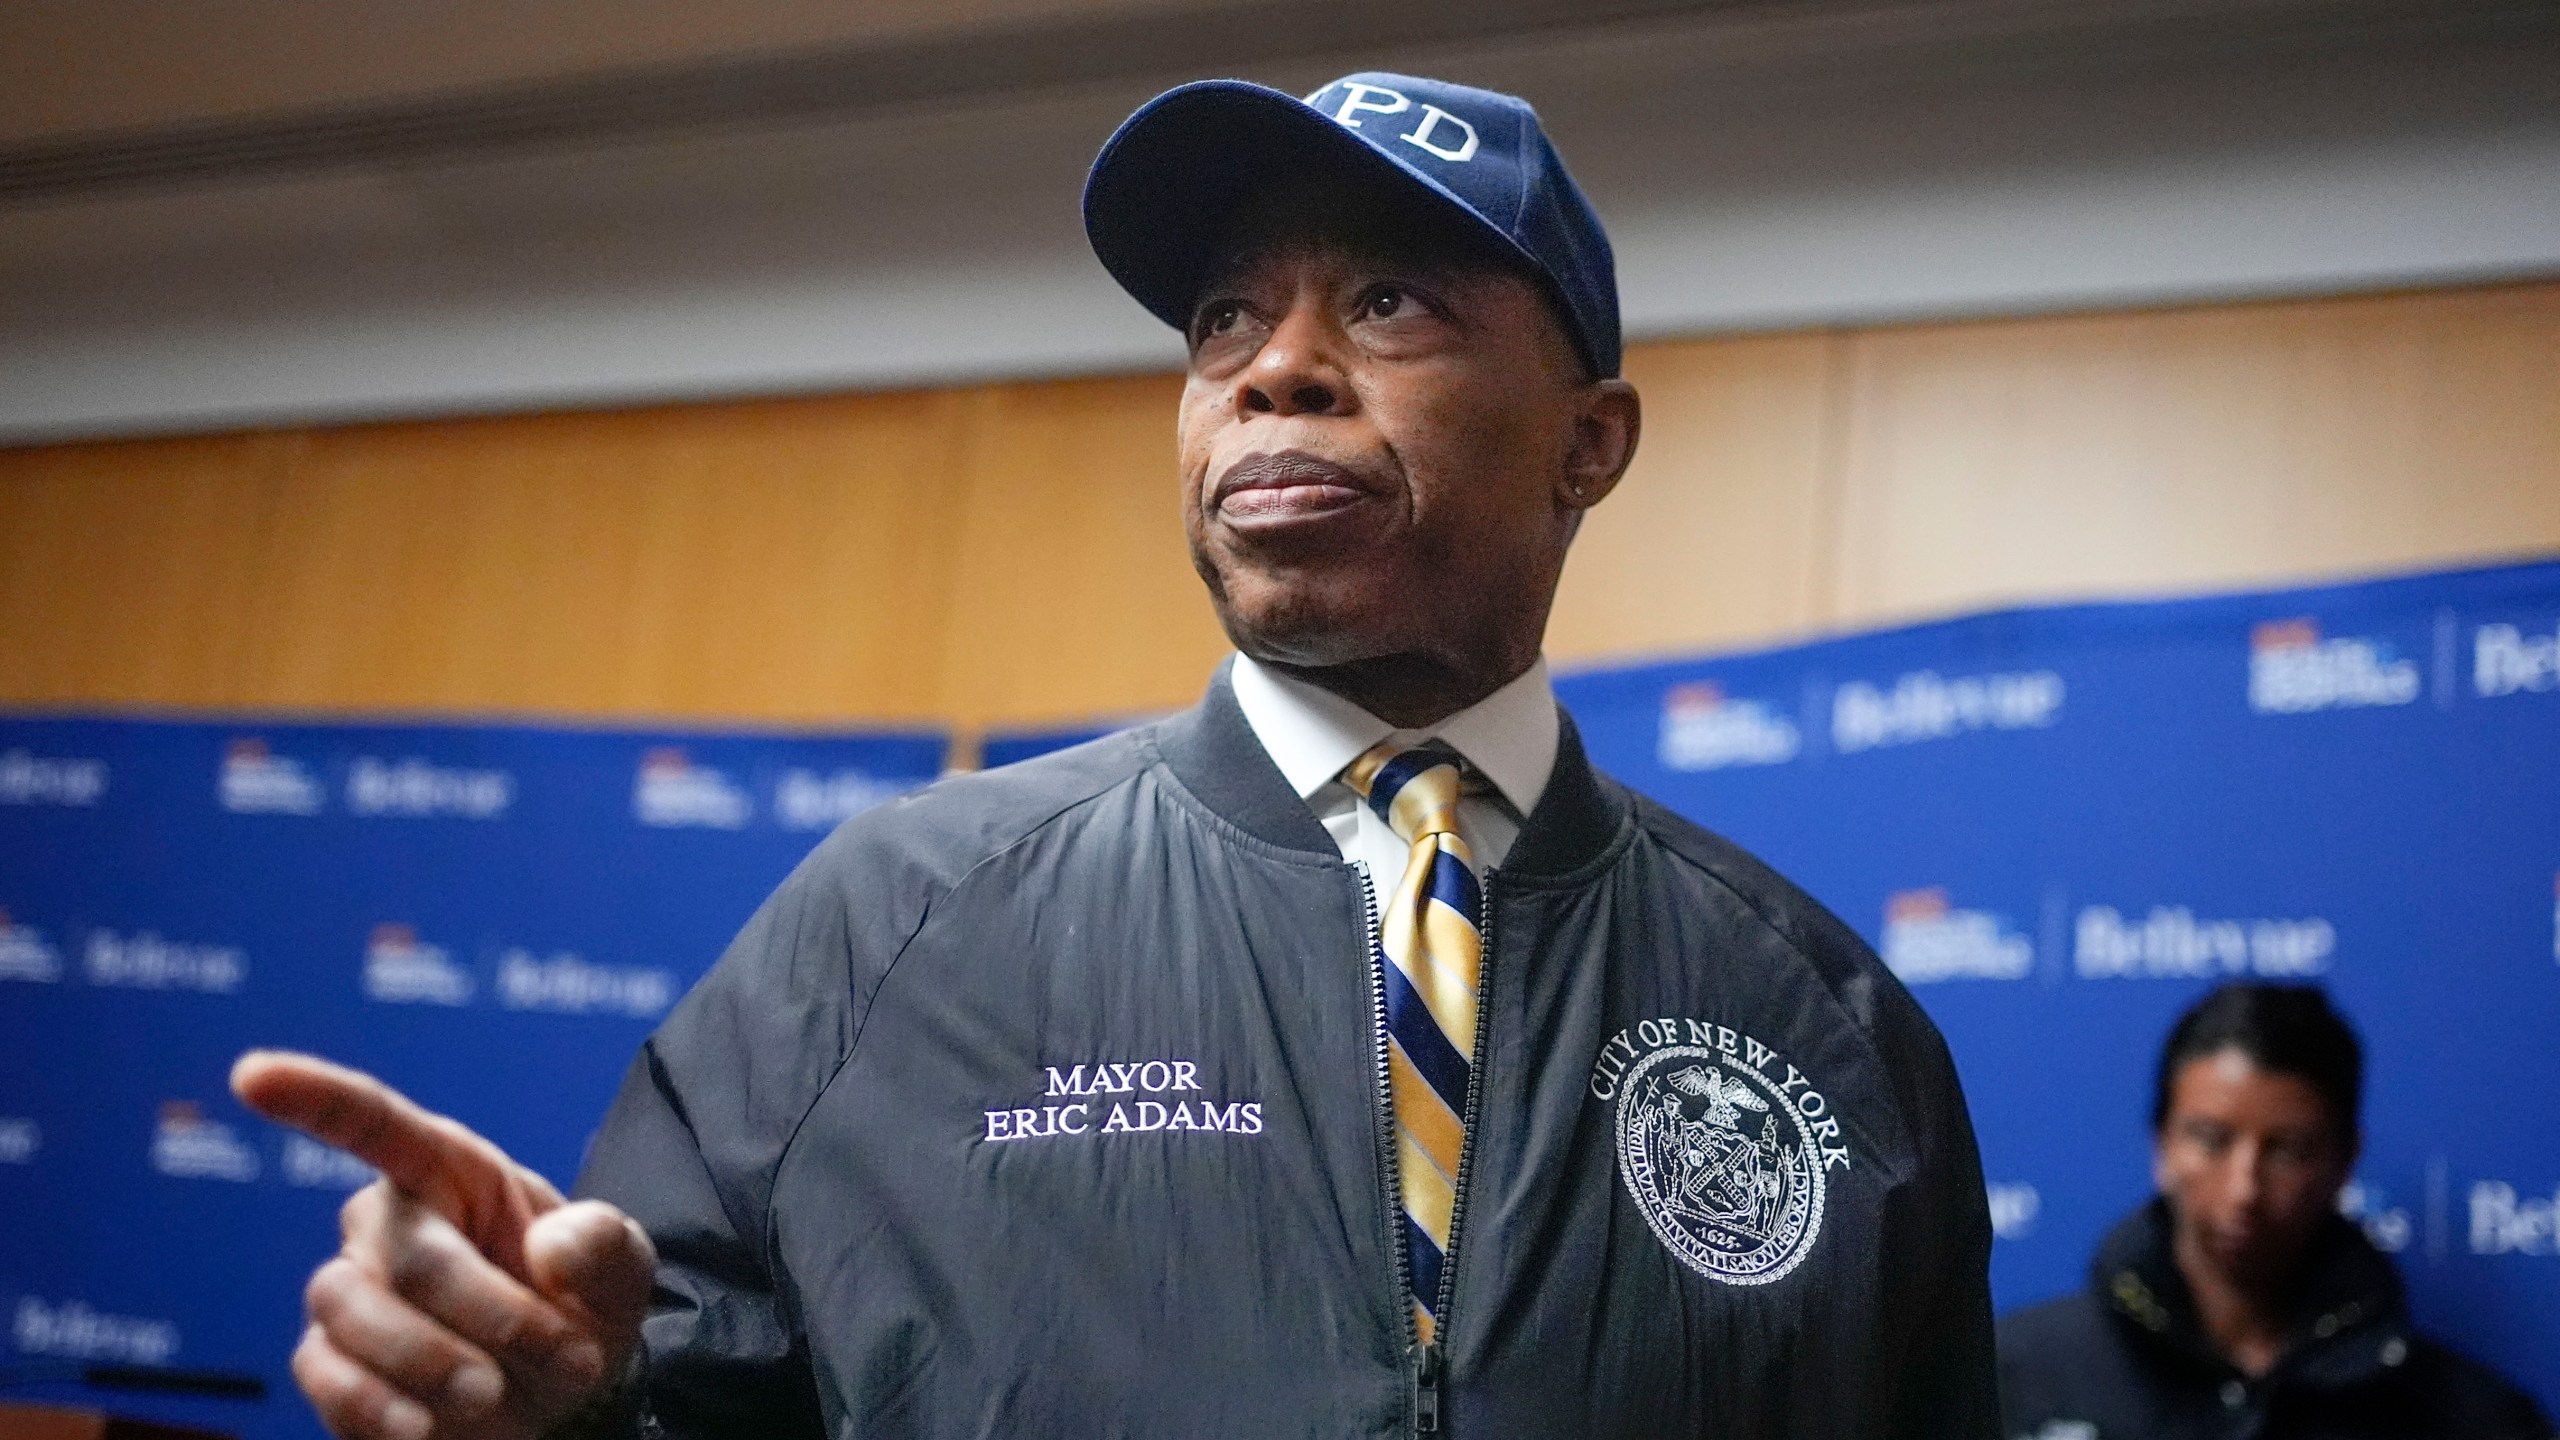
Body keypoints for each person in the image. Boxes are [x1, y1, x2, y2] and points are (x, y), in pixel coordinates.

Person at [233, 71, 1999, 1439]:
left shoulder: (1824, 1027)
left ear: (1590, 442)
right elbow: (647, 1390)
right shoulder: (888, 928)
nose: (1274, 369)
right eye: (1226, 316)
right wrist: (560, 1411)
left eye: (1390, 303)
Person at [1998, 982, 2555, 1440]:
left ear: (2343, 1161)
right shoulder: (2014, 1378)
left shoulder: (2466, 1418)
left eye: (2287, 1150)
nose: (2244, 1188)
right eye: (2212, 1139)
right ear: (2161, 1144)